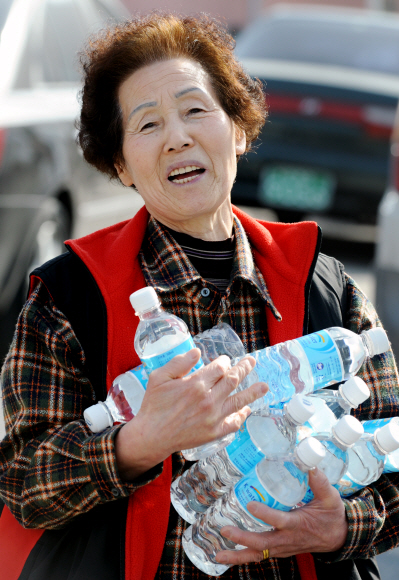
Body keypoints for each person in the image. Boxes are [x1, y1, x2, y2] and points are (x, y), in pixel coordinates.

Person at [0, 12, 398, 580]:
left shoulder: (324, 287)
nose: (178, 137)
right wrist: (137, 443)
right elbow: (22, 483)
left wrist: (342, 527)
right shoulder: (69, 296)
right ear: (121, 165)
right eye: (147, 124)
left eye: (194, 110)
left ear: (237, 129)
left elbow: (394, 460)